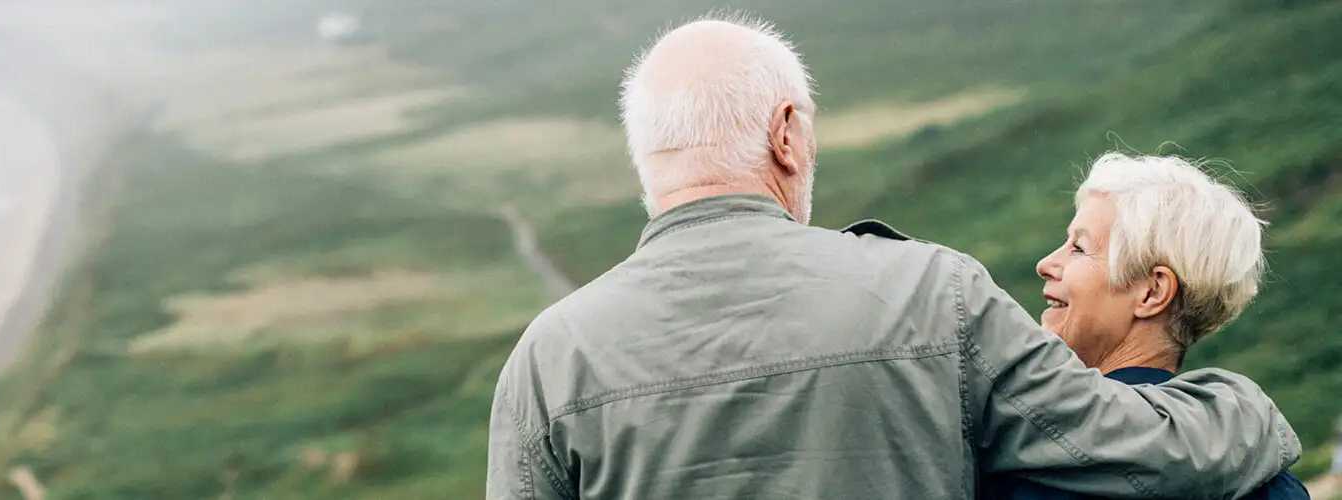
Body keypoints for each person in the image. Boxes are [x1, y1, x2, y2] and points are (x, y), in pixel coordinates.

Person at [486, 14, 1300, 499]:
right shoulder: (933, 293)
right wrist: (1246, 409)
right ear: (785, 135)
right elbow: (1137, 453)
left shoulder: (544, 362)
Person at [981, 152, 1308, 499]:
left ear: (1152, 292)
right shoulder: (1271, 481)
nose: (1045, 264)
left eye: (1078, 247)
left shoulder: (1021, 475)